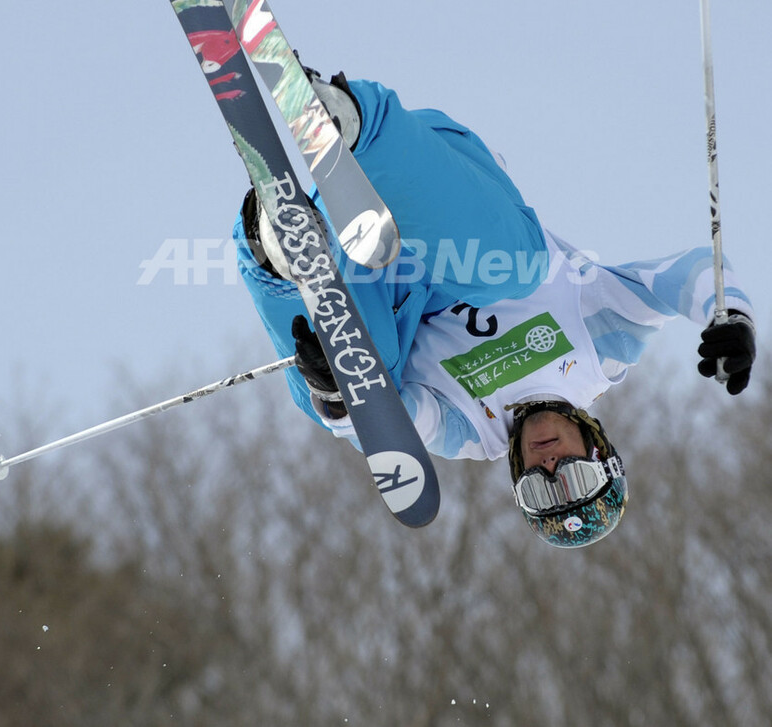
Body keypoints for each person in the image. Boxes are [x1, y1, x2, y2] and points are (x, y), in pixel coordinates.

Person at [233, 71, 756, 548]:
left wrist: (341, 396)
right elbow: (683, 274)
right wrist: (729, 314)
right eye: (574, 477)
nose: (550, 467)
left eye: (539, 490)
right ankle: (353, 124)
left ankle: (277, 250)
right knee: (514, 271)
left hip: (366, 260)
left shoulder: (468, 431)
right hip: (440, 187)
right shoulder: (603, 345)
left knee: (365, 377)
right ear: (599, 450)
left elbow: (398, 423)